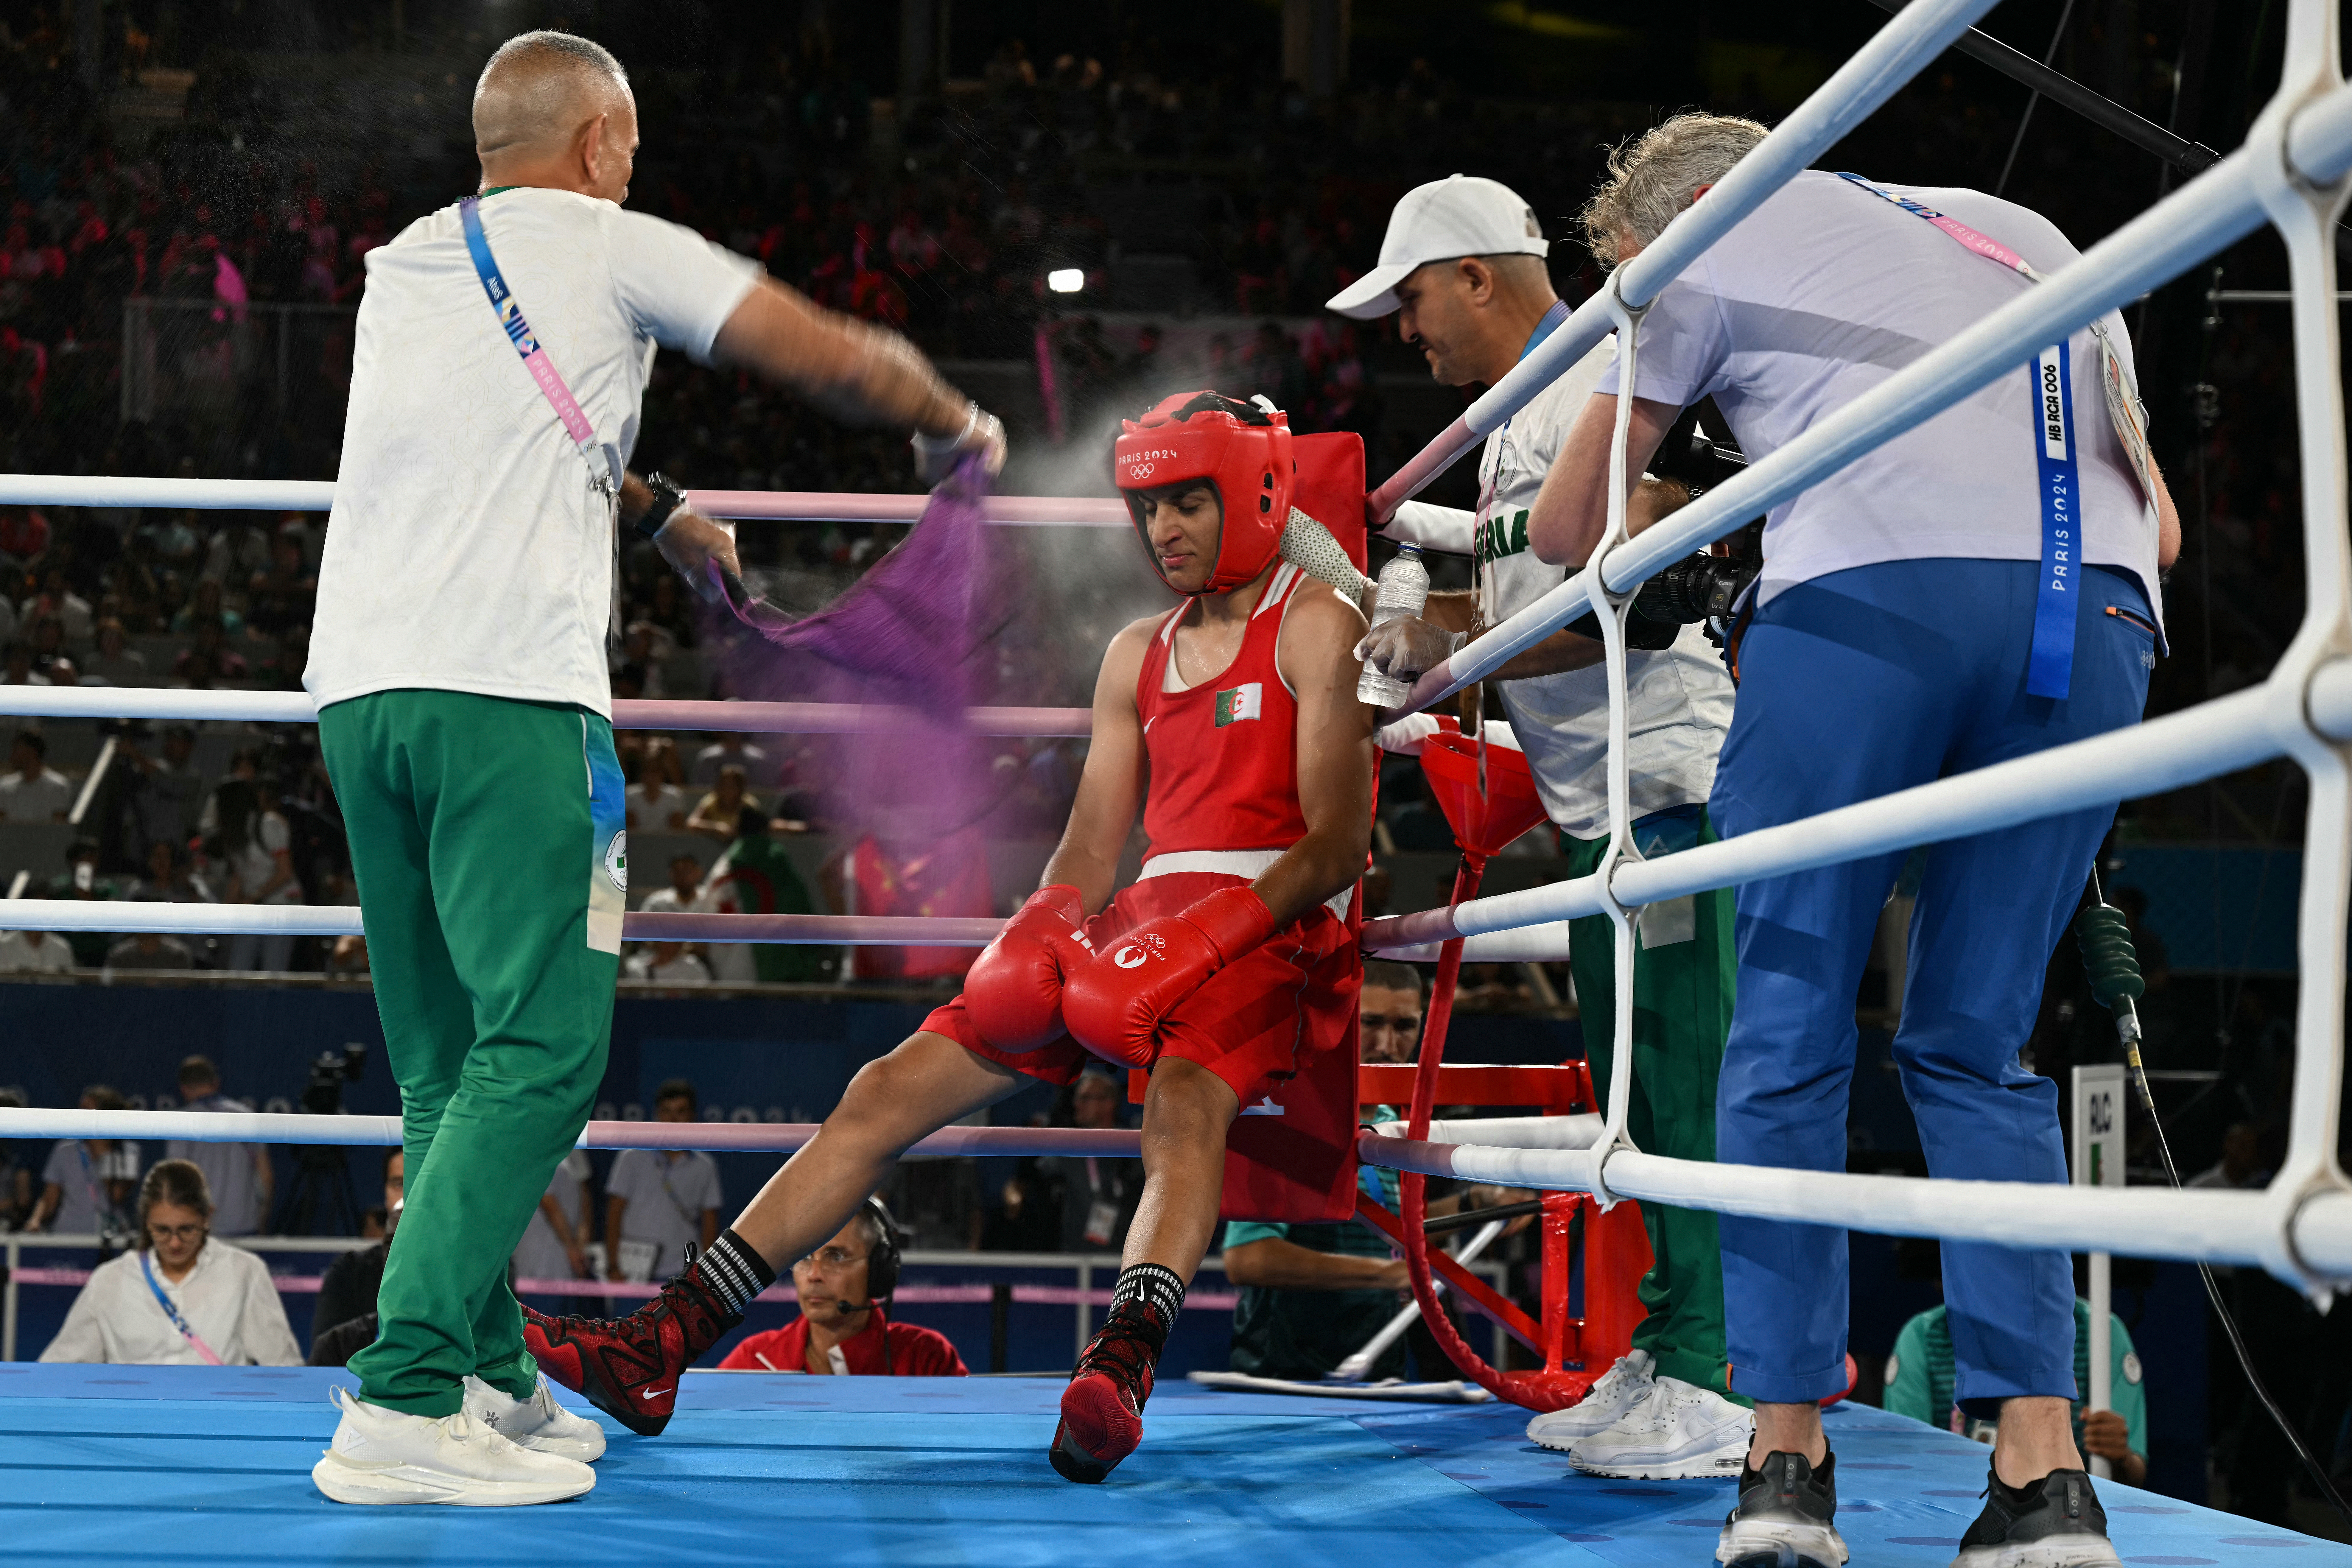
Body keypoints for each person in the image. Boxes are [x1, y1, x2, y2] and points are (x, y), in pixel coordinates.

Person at [300, 28, 1000, 1507]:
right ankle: (403, 1394)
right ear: (602, 140)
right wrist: (954, 420)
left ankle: (484, 1366)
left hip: (364, 698)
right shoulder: (611, 240)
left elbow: (497, 433)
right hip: (509, 696)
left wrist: (659, 502)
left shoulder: (408, 261)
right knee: (544, 1052)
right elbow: (827, 351)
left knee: (445, 1070)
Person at [1517, 115, 2182, 1567]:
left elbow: (1571, 528)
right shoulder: (2018, 229)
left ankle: (1782, 1460)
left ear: (1653, 225)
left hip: (1870, 618)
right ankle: (2041, 1479)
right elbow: (2167, 525)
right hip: (2101, 624)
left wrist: (1693, 472)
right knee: (1970, 1044)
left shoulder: (1702, 235)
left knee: (1793, 1024)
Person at [524, 390, 1372, 1490]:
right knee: (887, 1083)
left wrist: (1202, 939)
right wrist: (1043, 928)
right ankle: (662, 1343)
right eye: (1147, 505)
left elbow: (1337, 846)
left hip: (1269, 926)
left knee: (1182, 1100)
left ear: (1255, 495)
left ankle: (1117, 1369)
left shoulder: (1314, 624)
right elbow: (1086, 848)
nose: (1161, 528)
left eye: (1187, 502)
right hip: (1146, 918)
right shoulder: (1134, 654)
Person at [1338, 173, 1747, 1478]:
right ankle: (1669, 1343)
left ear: (1471, 273)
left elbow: (1646, 570)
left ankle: (1714, 1374)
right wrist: (1431, 634)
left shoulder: (1596, 381)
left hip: (1666, 787)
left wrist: (1447, 643)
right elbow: (1541, 603)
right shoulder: (1521, 416)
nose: (1409, 333)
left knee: (1681, 1081)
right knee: (1630, 1091)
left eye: (1412, 301)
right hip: (1600, 805)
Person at [39, 1160, 303, 1366]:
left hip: (218, 1424)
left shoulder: (244, 1272)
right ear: (145, 1223)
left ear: (207, 1217)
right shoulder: (111, 1279)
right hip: (134, 1426)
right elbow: (61, 1366)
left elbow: (283, 1364)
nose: (175, 1244)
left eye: (187, 1230)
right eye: (162, 1231)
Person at [1886, 1294, 2148, 1487]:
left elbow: (2136, 1471)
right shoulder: (1924, 1335)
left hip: (2067, 1507)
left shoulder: (2101, 1331)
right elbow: (1909, 1464)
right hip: (1955, 1504)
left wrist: (2120, 1456)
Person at [717, 1200, 966, 1375]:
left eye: (835, 1257)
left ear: (878, 1269)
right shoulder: (754, 1359)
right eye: (804, 1258)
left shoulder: (926, 1357)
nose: (814, 1275)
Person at [605, 1080, 722, 1281]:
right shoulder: (631, 1157)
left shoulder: (705, 1165)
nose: (673, 1119)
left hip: (681, 1272)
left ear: (693, 1116)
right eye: (667, 1111)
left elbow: (710, 1222)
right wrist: (613, 1265)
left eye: (681, 1111)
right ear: (657, 1114)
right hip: (633, 1270)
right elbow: (614, 1213)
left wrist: (701, 1274)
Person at [1036, 1064, 1142, 1254]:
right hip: (1074, 1256)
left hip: (1127, 1254)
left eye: (1085, 1098)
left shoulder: (1133, 1144)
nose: (1077, 1105)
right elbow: (1042, 1166)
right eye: (1077, 1098)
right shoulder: (1070, 1146)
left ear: (1109, 1103)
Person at [164, 1056, 275, 1237]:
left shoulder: (182, 1121)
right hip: (244, 1225)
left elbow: (176, 1180)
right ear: (216, 1083)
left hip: (200, 1229)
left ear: (183, 1089)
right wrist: (262, 1219)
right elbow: (266, 1177)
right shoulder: (247, 1117)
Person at [311, 1150, 404, 1366]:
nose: (409, 1196)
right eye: (399, 1184)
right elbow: (326, 1358)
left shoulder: (472, 1273)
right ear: (385, 1193)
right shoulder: (350, 1271)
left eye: (421, 1181)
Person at [28, 1086, 139, 1246]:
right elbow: (49, 1198)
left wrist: (104, 1155)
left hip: (110, 1238)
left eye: (87, 1110)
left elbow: (116, 1197)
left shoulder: (129, 1152)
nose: (81, 1115)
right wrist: (36, 1220)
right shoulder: (64, 1150)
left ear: (105, 1115)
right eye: (81, 1109)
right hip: (68, 1236)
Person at [512, 1148, 594, 1287]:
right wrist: (574, 1250)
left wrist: (580, 1249)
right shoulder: (535, 1152)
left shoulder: (574, 1148)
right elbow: (549, 1204)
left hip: (565, 1266)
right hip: (538, 1267)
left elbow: (584, 1198)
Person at [0, 728, 73, 822]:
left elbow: (58, 830)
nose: (12, 756)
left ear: (32, 752)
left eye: (16, 750)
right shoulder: (4, 787)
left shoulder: (57, 788)